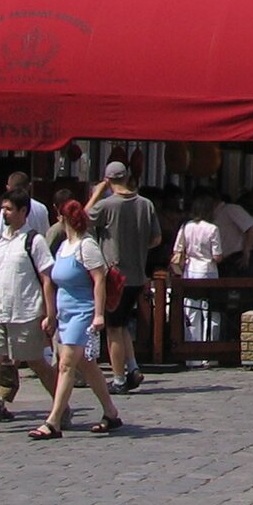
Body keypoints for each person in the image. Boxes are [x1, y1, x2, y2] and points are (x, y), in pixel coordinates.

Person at [29, 200, 125, 438]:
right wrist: (51, 314)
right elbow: (55, 281)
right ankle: (111, 412)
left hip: (82, 312)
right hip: (65, 313)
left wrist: (99, 313)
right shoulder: (63, 247)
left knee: (66, 364)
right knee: (86, 365)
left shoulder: (86, 246)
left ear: (63, 219)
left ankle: (53, 421)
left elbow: (99, 279)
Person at [0, 191, 58, 430]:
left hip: (25, 311)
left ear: (23, 212)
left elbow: (47, 278)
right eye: (3, 208)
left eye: (8, 209)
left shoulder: (34, 241)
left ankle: (61, 404)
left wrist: (50, 313)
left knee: (36, 362)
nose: (4, 213)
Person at [86, 162, 159, 395]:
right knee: (124, 322)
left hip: (114, 276)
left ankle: (118, 379)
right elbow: (156, 239)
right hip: (138, 273)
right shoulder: (146, 204)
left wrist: (97, 193)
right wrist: (138, 247)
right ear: (128, 177)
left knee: (114, 328)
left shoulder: (107, 205)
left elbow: (81, 219)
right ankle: (133, 367)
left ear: (108, 180)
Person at [169, 194, 224, 354]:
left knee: (191, 312)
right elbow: (217, 256)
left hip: (190, 270)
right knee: (210, 312)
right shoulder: (212, 229)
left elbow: (177, 250)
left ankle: (192, 353)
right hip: (208, 271)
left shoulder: (186, 227)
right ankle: (209, 352)